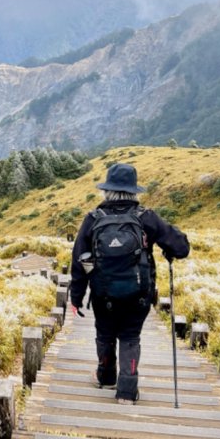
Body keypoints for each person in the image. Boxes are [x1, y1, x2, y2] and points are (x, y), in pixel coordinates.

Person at [68, 163, 189, 405]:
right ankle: (127, 391)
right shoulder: (146, 218)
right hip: (139, 295)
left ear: (107, 191)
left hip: (103, 294)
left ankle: (105, 376)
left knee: (105, 333)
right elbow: (182, 248)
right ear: (134, 192)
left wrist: (76, 297)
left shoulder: (93, 219)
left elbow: (79, 259)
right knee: (130, 337)